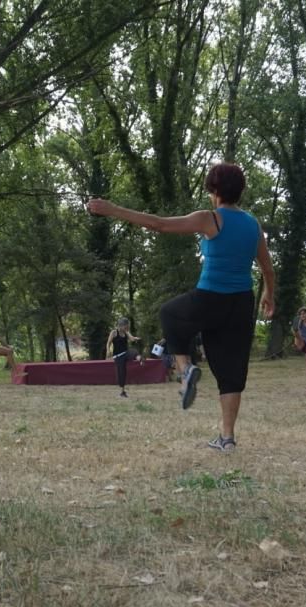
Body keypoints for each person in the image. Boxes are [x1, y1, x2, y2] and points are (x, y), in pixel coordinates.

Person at [87, 162, 276, 453]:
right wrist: (269, 296)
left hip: (210, 297)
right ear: (240, 191)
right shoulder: (253, 225)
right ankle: (227, 438)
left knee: (170, 313)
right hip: (241, 303)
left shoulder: (210, 218)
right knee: (231, 372)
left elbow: (159, 224)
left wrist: (113, 209)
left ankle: (186, 369)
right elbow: (267, 267)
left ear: (214, 190)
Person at [105, 317, 142, 397]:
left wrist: (135, 338)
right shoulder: (114, 332)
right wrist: (108, 350)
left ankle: (140, 359)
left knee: (133, 351)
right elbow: (108, 343)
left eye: (127, 327)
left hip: (125, 353)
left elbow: (131, 339)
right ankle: (122, 392)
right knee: (122, 373)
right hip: (118, 356)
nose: (127, 328)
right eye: (126, 327)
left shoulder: (126, 332)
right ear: (121, 325)